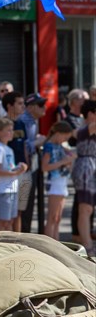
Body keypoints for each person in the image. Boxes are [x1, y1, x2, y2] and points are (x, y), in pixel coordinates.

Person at [0, 117, 27, 231]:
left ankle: (5, 245)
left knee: (10, 220)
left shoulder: (8, 149)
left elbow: (9, 168)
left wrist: (19, 168)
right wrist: (15, 172)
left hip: (12, 188)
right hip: (2, 190)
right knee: (3, 221)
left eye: (12, 130)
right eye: (8, 130)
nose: (11, 133)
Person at [18, 92, 47, 233]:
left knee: (29, 203)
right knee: (25, 205)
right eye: (40, 105)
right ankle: (24, 234)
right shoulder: (26, 120)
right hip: (25, 166)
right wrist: (37, 141)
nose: (44, 107)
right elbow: (24, 145)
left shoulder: (32, 120)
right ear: (30, 107)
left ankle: (26, 232)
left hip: (32, 165)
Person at [1, 91, 29, 232]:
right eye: (19, 103)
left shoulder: (22, 124)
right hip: (9, 174)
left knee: (19, 211)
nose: (23, 106)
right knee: (7, 216)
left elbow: (24, 145)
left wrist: (27, 164)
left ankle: (17, 242)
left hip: (23, 172)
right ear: (9, 105)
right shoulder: (2, 125)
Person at [42, 121, 75, 240]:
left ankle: (57, 243)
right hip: (55, 184)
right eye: (65, 137)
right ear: (58, 133)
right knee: (52, 217)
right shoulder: (49, 146)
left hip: (62, 182)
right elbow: (44, 167)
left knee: (57, 218)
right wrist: (63, 162)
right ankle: (48, 246)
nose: (65, 140)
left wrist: (68, 161)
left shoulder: (60, 146)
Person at [63, 88, 88, 242]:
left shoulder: (86, 118)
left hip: (88, 161)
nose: (86, 103)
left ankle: (87, 229)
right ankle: (76, 232)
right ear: (73, 102)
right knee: (80, 197)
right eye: (83, 99)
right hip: (76, 162)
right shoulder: (68, 120)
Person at [71, 100, 96, 256]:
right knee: (85, 208)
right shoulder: (86, 128)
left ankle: (87, 243)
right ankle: (87, 245)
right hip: (86, 168)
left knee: (88, 208)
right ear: (91, 113)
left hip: (90, 167)